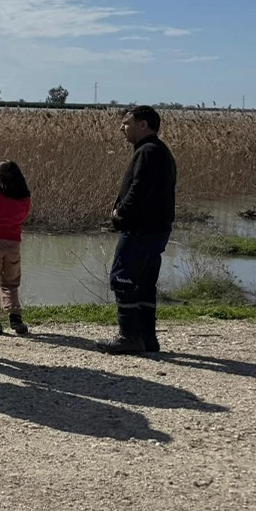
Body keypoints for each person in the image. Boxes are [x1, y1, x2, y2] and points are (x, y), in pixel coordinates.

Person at [97, 106, 176, 354]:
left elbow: (139, 189)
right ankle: (147, 339)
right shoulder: (157, 151)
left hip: (140, 231)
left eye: (127, 123)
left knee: (122, 279)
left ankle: (129, 336)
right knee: (143, 284)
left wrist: (120, 213)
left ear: (144, 125)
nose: (122, 128)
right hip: (155, 231)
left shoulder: (149, 152)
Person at [0, 161, 32, 336]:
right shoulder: (24, 197)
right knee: (11, 282)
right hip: (13, 241)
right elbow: (24, 216)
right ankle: (14, 316)